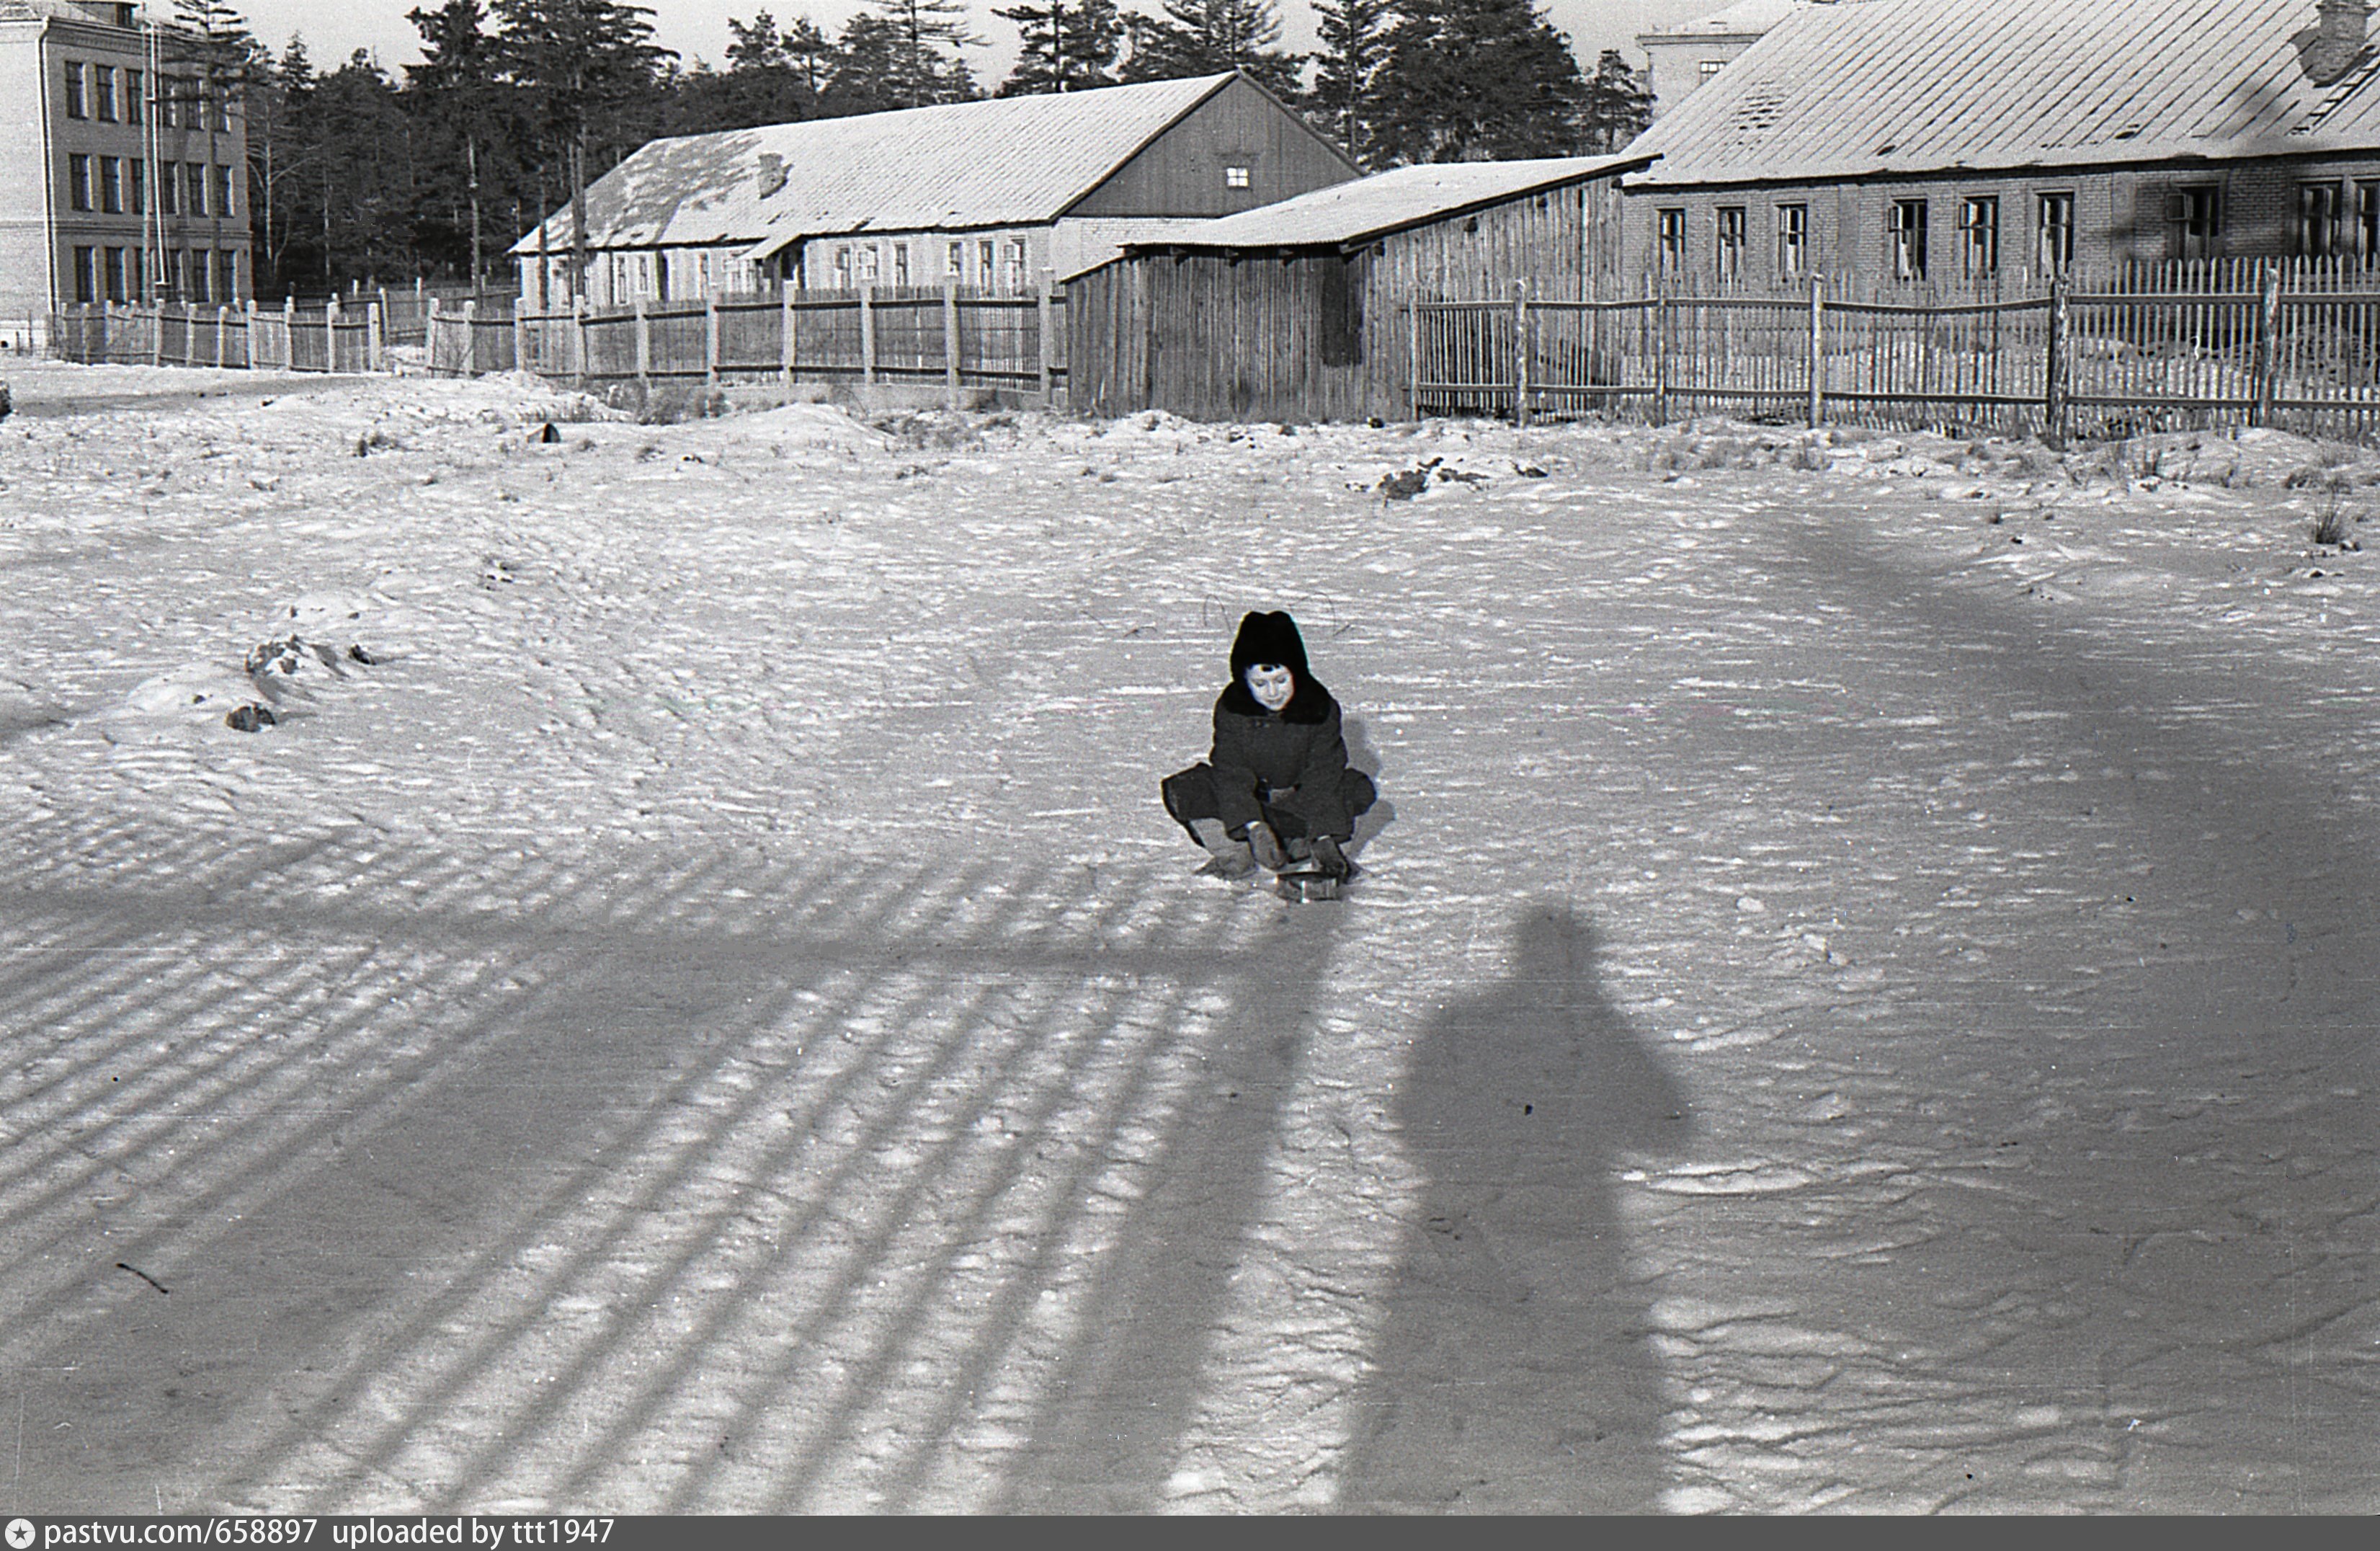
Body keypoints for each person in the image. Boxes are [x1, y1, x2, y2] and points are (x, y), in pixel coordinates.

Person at [1161, 610, 1376, 880]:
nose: (1273, 693)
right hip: (1250, 805)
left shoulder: (1319, 709)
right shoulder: (1233, 710)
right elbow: (1231, 772)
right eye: (1260, 683)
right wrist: (1253, 826)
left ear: (1296, 673)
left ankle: (1320, 849)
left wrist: (1324, 835)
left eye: (1281, 681)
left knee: (1354, 787)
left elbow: (1324, 774)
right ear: (1244, 680)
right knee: (1189, 788)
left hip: (1300, 805)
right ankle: (1236, 853)